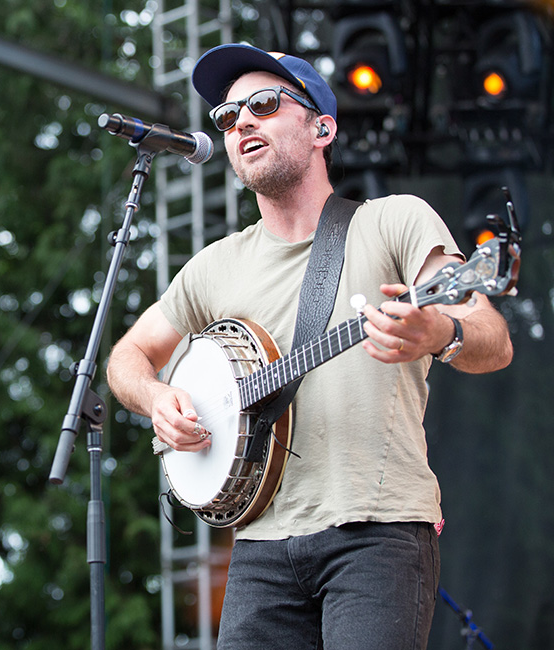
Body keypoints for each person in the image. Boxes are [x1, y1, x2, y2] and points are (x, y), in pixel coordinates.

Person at [105, 44, 513, 650]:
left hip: (378, 532)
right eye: (227, 114)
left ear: (322, 127)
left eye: (264, 104)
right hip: (259, 545)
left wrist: (440, 333)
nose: (240, 120)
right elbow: (125, 359)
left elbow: (493, 340)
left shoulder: (394, 221)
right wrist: (158, 397)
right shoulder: (213, 267)